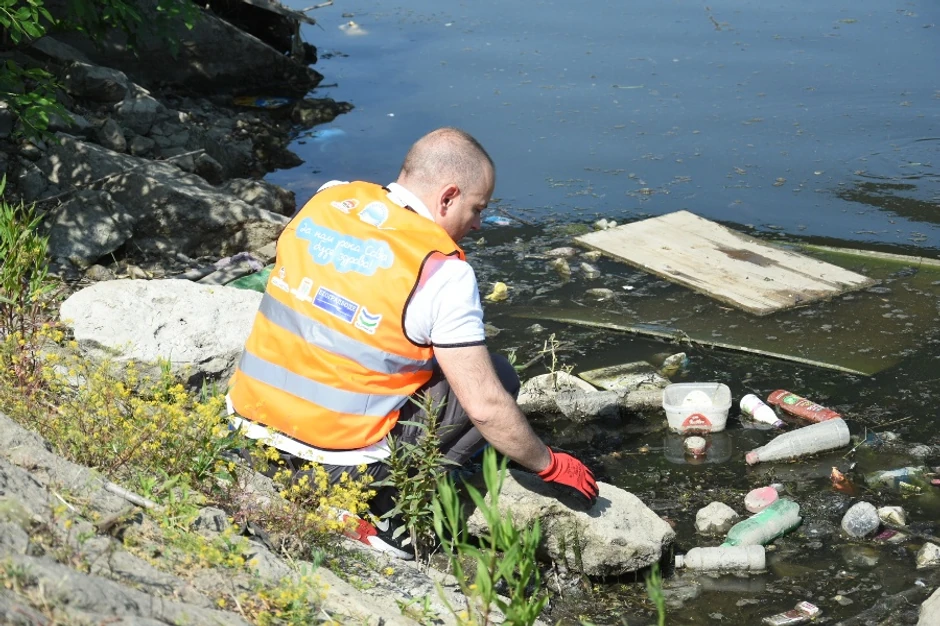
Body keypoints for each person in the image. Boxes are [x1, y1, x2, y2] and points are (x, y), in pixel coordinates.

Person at [227, 127, 598, 560]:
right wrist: (547, 463)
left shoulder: (328, 198)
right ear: (448, 197)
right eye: (476, 208)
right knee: (496, 375)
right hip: (335, 467)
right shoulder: (442, 272)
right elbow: (484, 406)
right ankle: (387, 513)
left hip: (250, 434)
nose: (478, 223)